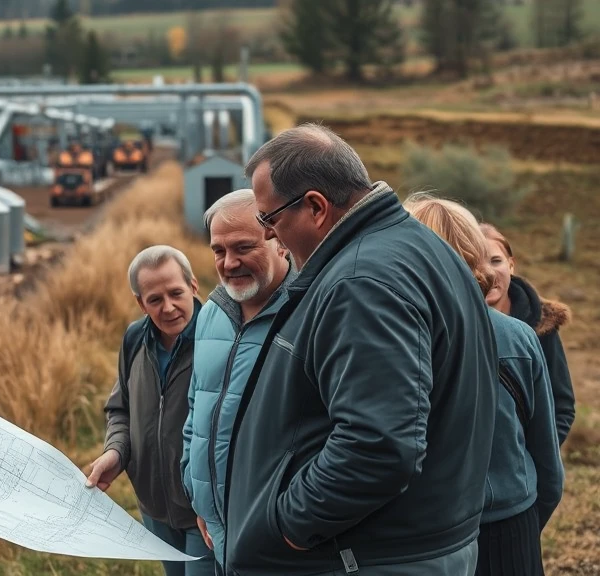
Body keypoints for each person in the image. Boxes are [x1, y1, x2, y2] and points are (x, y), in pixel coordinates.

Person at [223, 123, 498, 575]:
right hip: (409, 547)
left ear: (316, 207)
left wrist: (287, 526)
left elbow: (377, 447)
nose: (269, 235)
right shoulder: (414, 246)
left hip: (371, 557)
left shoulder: (360, 282)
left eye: (269, 219)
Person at [404, 194, 564, 576]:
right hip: (512, 528)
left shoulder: (393, 339)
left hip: (422, 537)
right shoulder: (520, 337)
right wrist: (523, 528)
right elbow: (548, 465)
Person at [180, 189, 295, 575]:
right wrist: (199, 496)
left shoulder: (310, 313)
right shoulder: (211, 313)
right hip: (218, 530)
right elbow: (197, 407)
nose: (229, 263)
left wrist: (293, 521)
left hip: (282, 541)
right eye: (219, 250)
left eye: (244, 247)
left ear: (280, 242)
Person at [85, 245, 214, 576]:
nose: (168, 307)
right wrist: (116, 452)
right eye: (155, 299)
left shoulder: (219, 338)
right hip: (154, 510)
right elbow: (121, 409)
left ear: (193, 286)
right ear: (140, 303)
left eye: (176, 293)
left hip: (205, 512)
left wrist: (215, 502)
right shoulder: (134, 339)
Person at [480, 222, 576, 446]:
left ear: (511, 265)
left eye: (496, 261)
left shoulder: (541, 324)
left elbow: (561, 407)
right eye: (474, 262)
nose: (488, 272)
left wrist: (530, 458)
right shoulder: (452, 324)